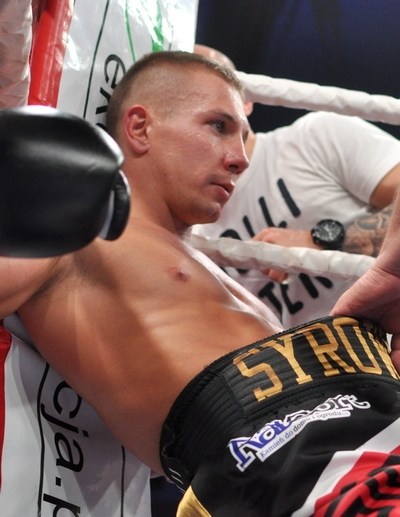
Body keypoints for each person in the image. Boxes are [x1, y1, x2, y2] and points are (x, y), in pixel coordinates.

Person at [2, 51, 400, 516]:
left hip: (369, 433)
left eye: (242, 136)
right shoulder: (75, 234)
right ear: (140, 127)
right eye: (217, 126)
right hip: (299, 475)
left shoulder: (215, 274)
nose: (240, 159)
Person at [192, 44, 400, 328]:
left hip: (386, 342)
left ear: (246, 101)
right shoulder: (188, 228)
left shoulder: (316, 138)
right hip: (289, 355)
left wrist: (322, 240)